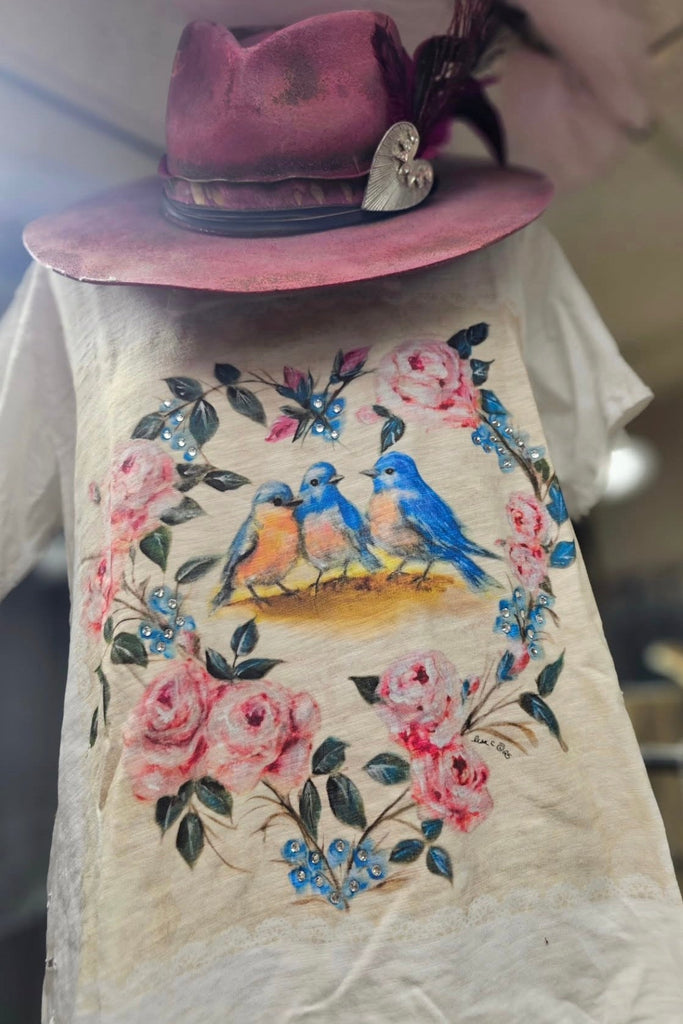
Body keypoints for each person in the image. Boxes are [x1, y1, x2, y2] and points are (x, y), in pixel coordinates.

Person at [2, 6, 681, 1022]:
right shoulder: (74, 297)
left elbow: (562, 485)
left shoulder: (505, 258)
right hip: (202, 954)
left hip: (535, 927)